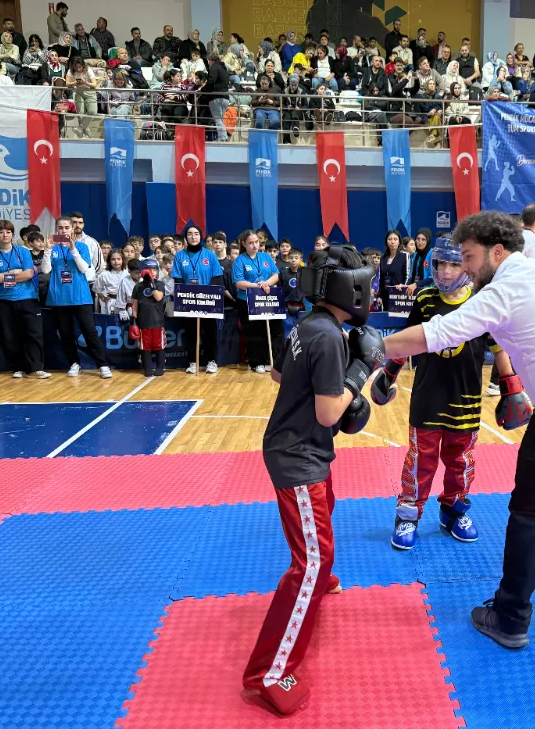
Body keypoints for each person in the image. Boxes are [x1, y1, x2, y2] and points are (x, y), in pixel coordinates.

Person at [381, 211, 535, 650]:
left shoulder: (501, 291)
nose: (464, 267)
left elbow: (437, 334)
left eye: (469, 256)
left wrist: (366, 345)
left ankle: (510, 616)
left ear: (497, 251)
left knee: (529, 517)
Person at [241, 246, 383, 716]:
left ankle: (321, 574)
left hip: (303, 449)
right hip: (297, 456)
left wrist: (341, 373)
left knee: (326, 511)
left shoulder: (309, 324)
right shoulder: (328, 337)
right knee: (310, 565)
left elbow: (281, 375)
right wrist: (359, 371)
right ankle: (269, 674)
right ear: (346, 286)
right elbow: (329, 412)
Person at [372, 236, 521, 550]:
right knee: (420, 461)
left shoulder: (482, 298)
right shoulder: (425, 297)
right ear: (434, 263)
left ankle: (453, 510)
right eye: (442, 263)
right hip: (428, 395)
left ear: (467, 264)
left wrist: (511, 386)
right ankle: (408, 514)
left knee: (460, 460)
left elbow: (500, 346)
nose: (448, 271)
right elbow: (407, 339)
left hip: (466, 399)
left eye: (455, 263)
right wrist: (388, 373)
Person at [42, 216, 112, 378]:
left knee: (89, 331)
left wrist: (73, 249)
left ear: (72, 229)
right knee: (65, 333)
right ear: (56, 229)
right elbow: (45, 271)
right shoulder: (52, 248)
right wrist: (47, 250)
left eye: (67, 228)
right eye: (60, 228)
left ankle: (102, 365)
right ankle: (74, 363)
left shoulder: (81, 246)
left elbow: (83, 269)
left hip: (80, 296)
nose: (63, 231)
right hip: (59, 297)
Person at [0, 220, 48, 379]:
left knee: (33, 333)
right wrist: (15, 273)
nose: (4, 235)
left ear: (12, 234)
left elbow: (28, 274)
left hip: (27, 298)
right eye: (0, 232)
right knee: (8, 335)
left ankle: (36, 368)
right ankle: (17, 367)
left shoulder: (23, 251)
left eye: (8, 232)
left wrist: (4, 276)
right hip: (2, 300)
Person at [172, 224, 223, 374]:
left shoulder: (210, 255)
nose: (193, 237)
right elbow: (178, 279)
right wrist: (187, 295)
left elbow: (217, 277)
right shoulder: (179, 256)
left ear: (201, 236)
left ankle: (211, 361)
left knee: (209, 332)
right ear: (185, 237)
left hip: (207, 300)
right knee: (191, 332)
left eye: (196, 234)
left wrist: (205, 293)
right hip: (189, 301)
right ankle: (192, 362)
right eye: (190, 234)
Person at [232, 230, 281, 373]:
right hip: (247, 300)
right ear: (244, 244)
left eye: (256, 242)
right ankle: (256, 362)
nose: (254, 245)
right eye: (251, 243)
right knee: (254, 332)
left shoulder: (265, 256)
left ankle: (270, 360)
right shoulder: (240, 260)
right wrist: (257, 285)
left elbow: (275, 274)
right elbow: (238, 282)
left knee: (272, 331)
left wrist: (266, 283)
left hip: (267, 298)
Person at [130, 258, 167, 377]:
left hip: (157, 321)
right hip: (143, 321)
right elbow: (134, 306)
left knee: (159, 345)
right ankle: (147, 368)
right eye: (149, 269)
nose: (153, 272)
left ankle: (160, 367)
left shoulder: (159, 284)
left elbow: (158, 297)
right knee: (145, 346)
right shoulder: (138, 287)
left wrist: (151, 283)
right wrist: (133, 322)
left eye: (155, 269)